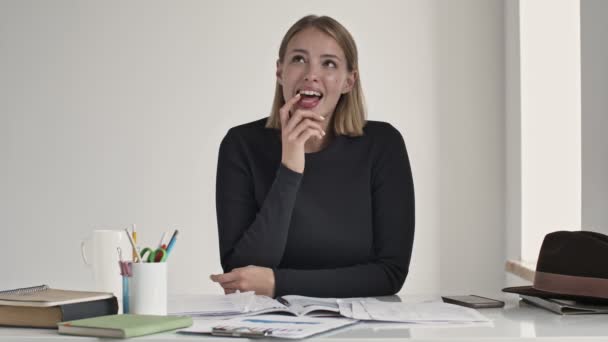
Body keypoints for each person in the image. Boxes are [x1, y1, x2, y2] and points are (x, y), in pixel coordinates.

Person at [210, 15, 415, 298]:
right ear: (280, 71)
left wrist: (278, 283)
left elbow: (390, 273)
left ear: (348, 81)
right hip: (269, 327)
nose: (310, 74)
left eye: (329, 63)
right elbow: (242, 274)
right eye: (298, 59)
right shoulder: (241, 145)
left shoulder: (383, 145)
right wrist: (290, 167)